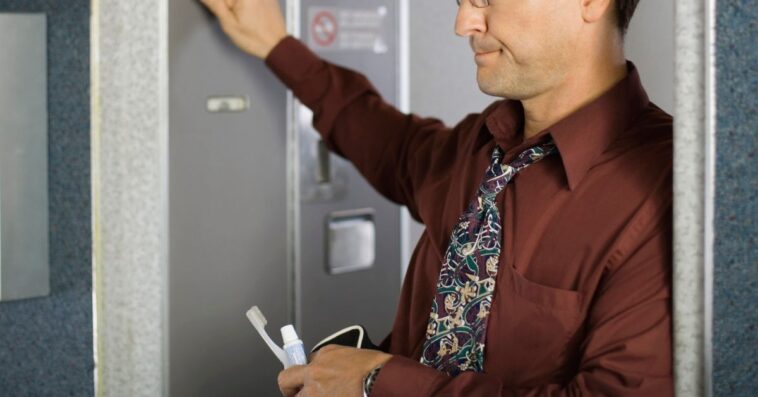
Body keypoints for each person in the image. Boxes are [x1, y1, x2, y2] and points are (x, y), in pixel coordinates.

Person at [201, 0, 673, 395]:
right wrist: (276, 45)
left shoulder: (666, 190)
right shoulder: (479, 146)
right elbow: (391, 143)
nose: (464, 23)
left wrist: (377, 381)